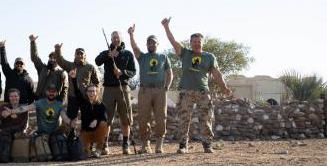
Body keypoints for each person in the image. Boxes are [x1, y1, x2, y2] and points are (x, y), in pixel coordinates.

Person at [161, 17, 232, 154]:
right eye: (194, 42)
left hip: (203, 92)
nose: (196, 44)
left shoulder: (209, 57)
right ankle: (183, 145)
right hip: (186, 92)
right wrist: (166, 27)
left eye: (199, 42)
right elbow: (173, 42)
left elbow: (216, 74)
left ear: (202, 43)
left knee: (206, 118)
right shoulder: (186, 53)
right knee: (184, 119)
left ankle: (207, 144)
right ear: (190, 43)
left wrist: (224, 87)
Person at [128, 24, 173, 154]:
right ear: (147, 45)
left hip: (160, 90)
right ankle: (145, 144)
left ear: (157, 44)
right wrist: (131, 35)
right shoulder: (142, 57)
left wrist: (167, 86)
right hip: (144, 91)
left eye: (153, 43)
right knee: (143, 118)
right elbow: (135, 48)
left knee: (161, 118)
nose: (151, 45)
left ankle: (159, 144)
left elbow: (169, 73)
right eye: (149, 43)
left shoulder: (163, 57)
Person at [95, 31, 137, 155]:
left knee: (125, 117)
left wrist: (122, 72)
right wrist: (109, 54)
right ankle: (104, 145)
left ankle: (125, 145)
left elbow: (133, 71)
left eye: (117, 38)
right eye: (113, 38)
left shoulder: (128, 54)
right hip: (108, 89)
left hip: (123, 88)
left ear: (121, 39)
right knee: (107, 117)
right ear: (111, 39)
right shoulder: (106, 52)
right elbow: (97, 61)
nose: (116, 40)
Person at [53, 44, 100, 122]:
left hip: (85, 97)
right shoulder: (70, 65)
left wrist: (94, 94)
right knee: (71, 118)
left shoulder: (90, 67)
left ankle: (85, 133)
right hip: (73, 97)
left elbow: (96, 82)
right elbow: (60, 60)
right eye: (77, 54)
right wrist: (58, 50)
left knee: (87, 117)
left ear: (85, 55)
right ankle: (71, 134)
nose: (79, 55)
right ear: (74, 55)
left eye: (81, 54)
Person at [4, 83, 73, 135]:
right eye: (50, 91)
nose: (51, 93)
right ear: (46, 92)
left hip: (54, 134)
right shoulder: (39, 103)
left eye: (53, 92)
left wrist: (71, 122)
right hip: (41, 133)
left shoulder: (59, 105)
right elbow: (25, 108)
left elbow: (65, 117)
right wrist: (12, 111)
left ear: (57, 93)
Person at [69, 70, 108, 158]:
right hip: (86, 132)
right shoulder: (83, 103)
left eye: (93, 91)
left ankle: (98, 149)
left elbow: (104, 118)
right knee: (84, 154)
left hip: (97, 132)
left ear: (96, 92)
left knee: (103, 123)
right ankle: (88, 150)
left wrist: (96, 121)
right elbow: (77, 91)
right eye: (89, 91)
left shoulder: (101, 105)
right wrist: (74, 79)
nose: (91, 93)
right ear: (86, 93)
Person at [29, 34, 68, 103]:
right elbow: (35, 57)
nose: (52, 59)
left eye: (55, 58)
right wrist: (33, 43)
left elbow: (65, 88)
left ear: (58, 60)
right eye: (51, 57)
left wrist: (62, 101)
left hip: (55, 102)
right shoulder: (42, 68)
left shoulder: (61, 73)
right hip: (41, 100)